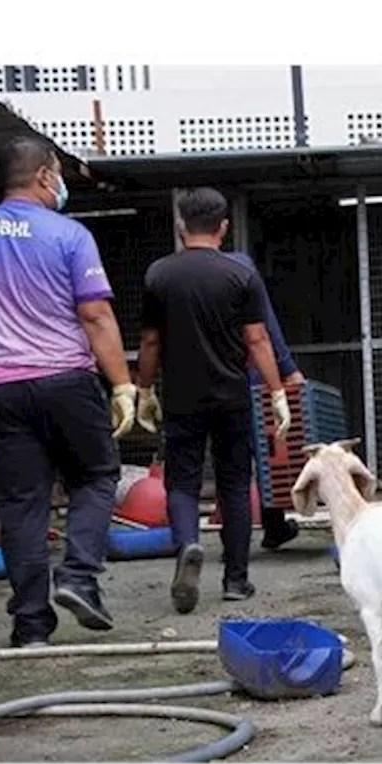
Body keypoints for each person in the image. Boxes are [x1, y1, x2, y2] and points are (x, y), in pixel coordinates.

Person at [0, 135, 137, 648]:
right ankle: (79, 576)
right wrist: (123, 384)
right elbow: (95, 313)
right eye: (59, 172)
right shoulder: (69, 234)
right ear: (44, 175)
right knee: (97, 473)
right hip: (65, 379)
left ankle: (32, 625)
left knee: (21, 502)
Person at [134, 187, 290, 614]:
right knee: (235, 485)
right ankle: (236, 580)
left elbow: (150, 341)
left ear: (181, 225)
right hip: (233, 396)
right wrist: (277, 391)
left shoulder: (159, 275)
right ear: (223, 226)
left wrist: (144, 389)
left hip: (182, 397)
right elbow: (257, 338)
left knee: (181, 482)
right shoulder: (240, 275)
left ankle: (188, 544)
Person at [223, 249, 305, 551]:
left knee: (229, 463)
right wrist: (286, 370)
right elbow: (262, 329)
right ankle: (273, 524)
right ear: (221, 226)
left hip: (202, 380)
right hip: (248, 373)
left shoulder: (173, 273)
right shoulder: (241, 267)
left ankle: (232, 542)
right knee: (267, 446)